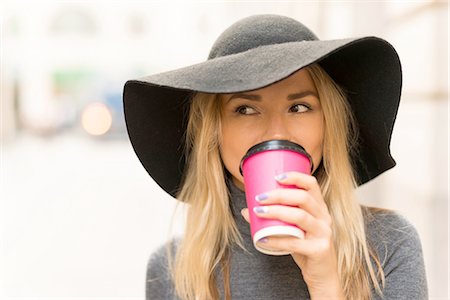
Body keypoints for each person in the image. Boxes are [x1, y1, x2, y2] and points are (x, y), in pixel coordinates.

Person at [123, 14, 428, 300]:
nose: (275, 132)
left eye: (299, 107)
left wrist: (326, 281)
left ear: (328, 124)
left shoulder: (389, 245)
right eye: (245, 109)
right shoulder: (171, 269)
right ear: (214, 133)